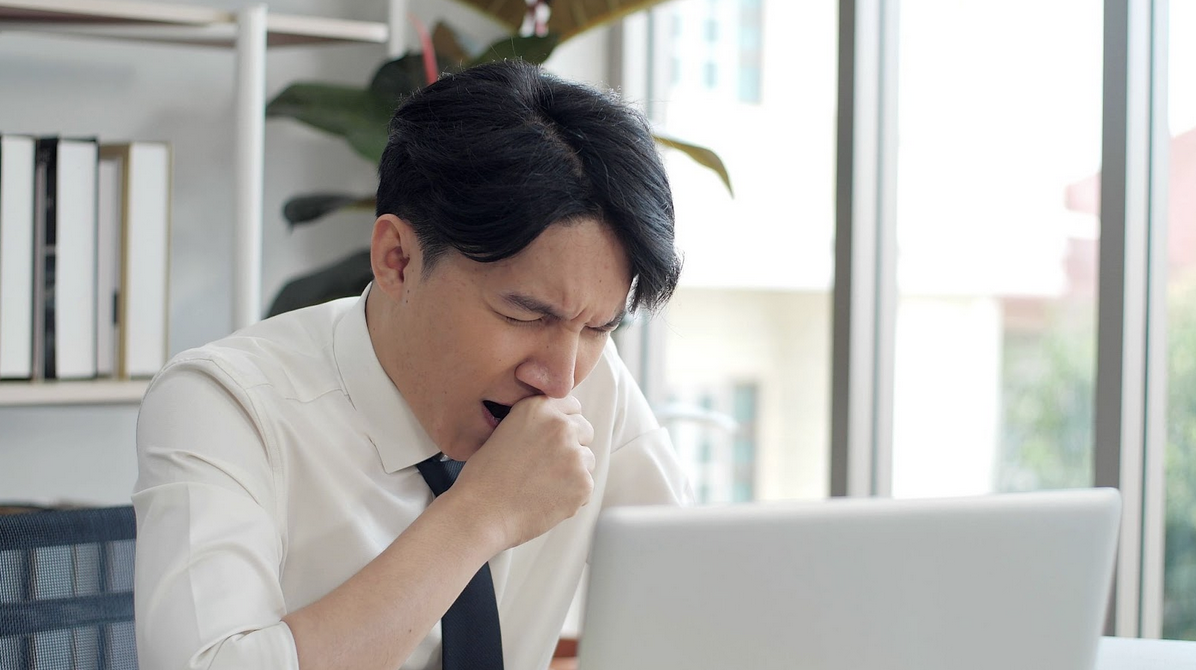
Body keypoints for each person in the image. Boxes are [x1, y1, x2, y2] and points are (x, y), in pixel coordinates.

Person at [132, 59, 691, 670]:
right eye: (525, 314)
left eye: (599, 327)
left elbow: (700, 606)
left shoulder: (592, 376)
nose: (560, 380)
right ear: (396, 260)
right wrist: (480, 514)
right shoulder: (225, 403)